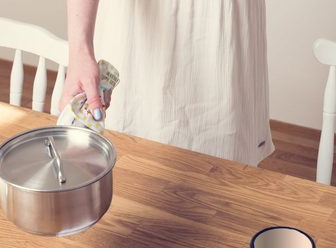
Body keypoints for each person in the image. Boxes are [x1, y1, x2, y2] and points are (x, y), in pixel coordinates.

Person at [60, 0, 274, 166]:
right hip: (137, 31)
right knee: (122, 165)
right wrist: (79, 52)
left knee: (224, 172)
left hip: (223, 27)